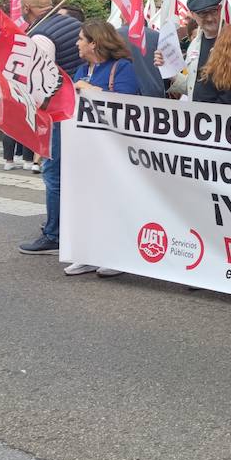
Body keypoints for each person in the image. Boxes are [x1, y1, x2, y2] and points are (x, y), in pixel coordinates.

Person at [62, 20, 143, 278]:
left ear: (94, 43)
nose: (77, 44)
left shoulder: (122, 68)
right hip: (85, 148)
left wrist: (89, 89)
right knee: (86, 202)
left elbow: (126, 103)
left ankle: (116, 255)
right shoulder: (80, 69)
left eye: (80, 39)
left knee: (114, 202)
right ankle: (86, 254)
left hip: (115, 149)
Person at [18, 0, 84, 255]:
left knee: (53, 171)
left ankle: (54, 233)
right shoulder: (73, 23)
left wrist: (36, 107)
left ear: (26, 9)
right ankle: (71, 225)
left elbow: (42, 81)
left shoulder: (40, 35)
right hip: (82, 108)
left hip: (61, 111)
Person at [163, 0, 223, 101]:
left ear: (220, 9)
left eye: (213, 11)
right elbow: (193, 87)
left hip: (227, 116)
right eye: (203, 14)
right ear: (193, 15)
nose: (210, 18)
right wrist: (168, 69)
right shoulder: (194, 44)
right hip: (199, 116)